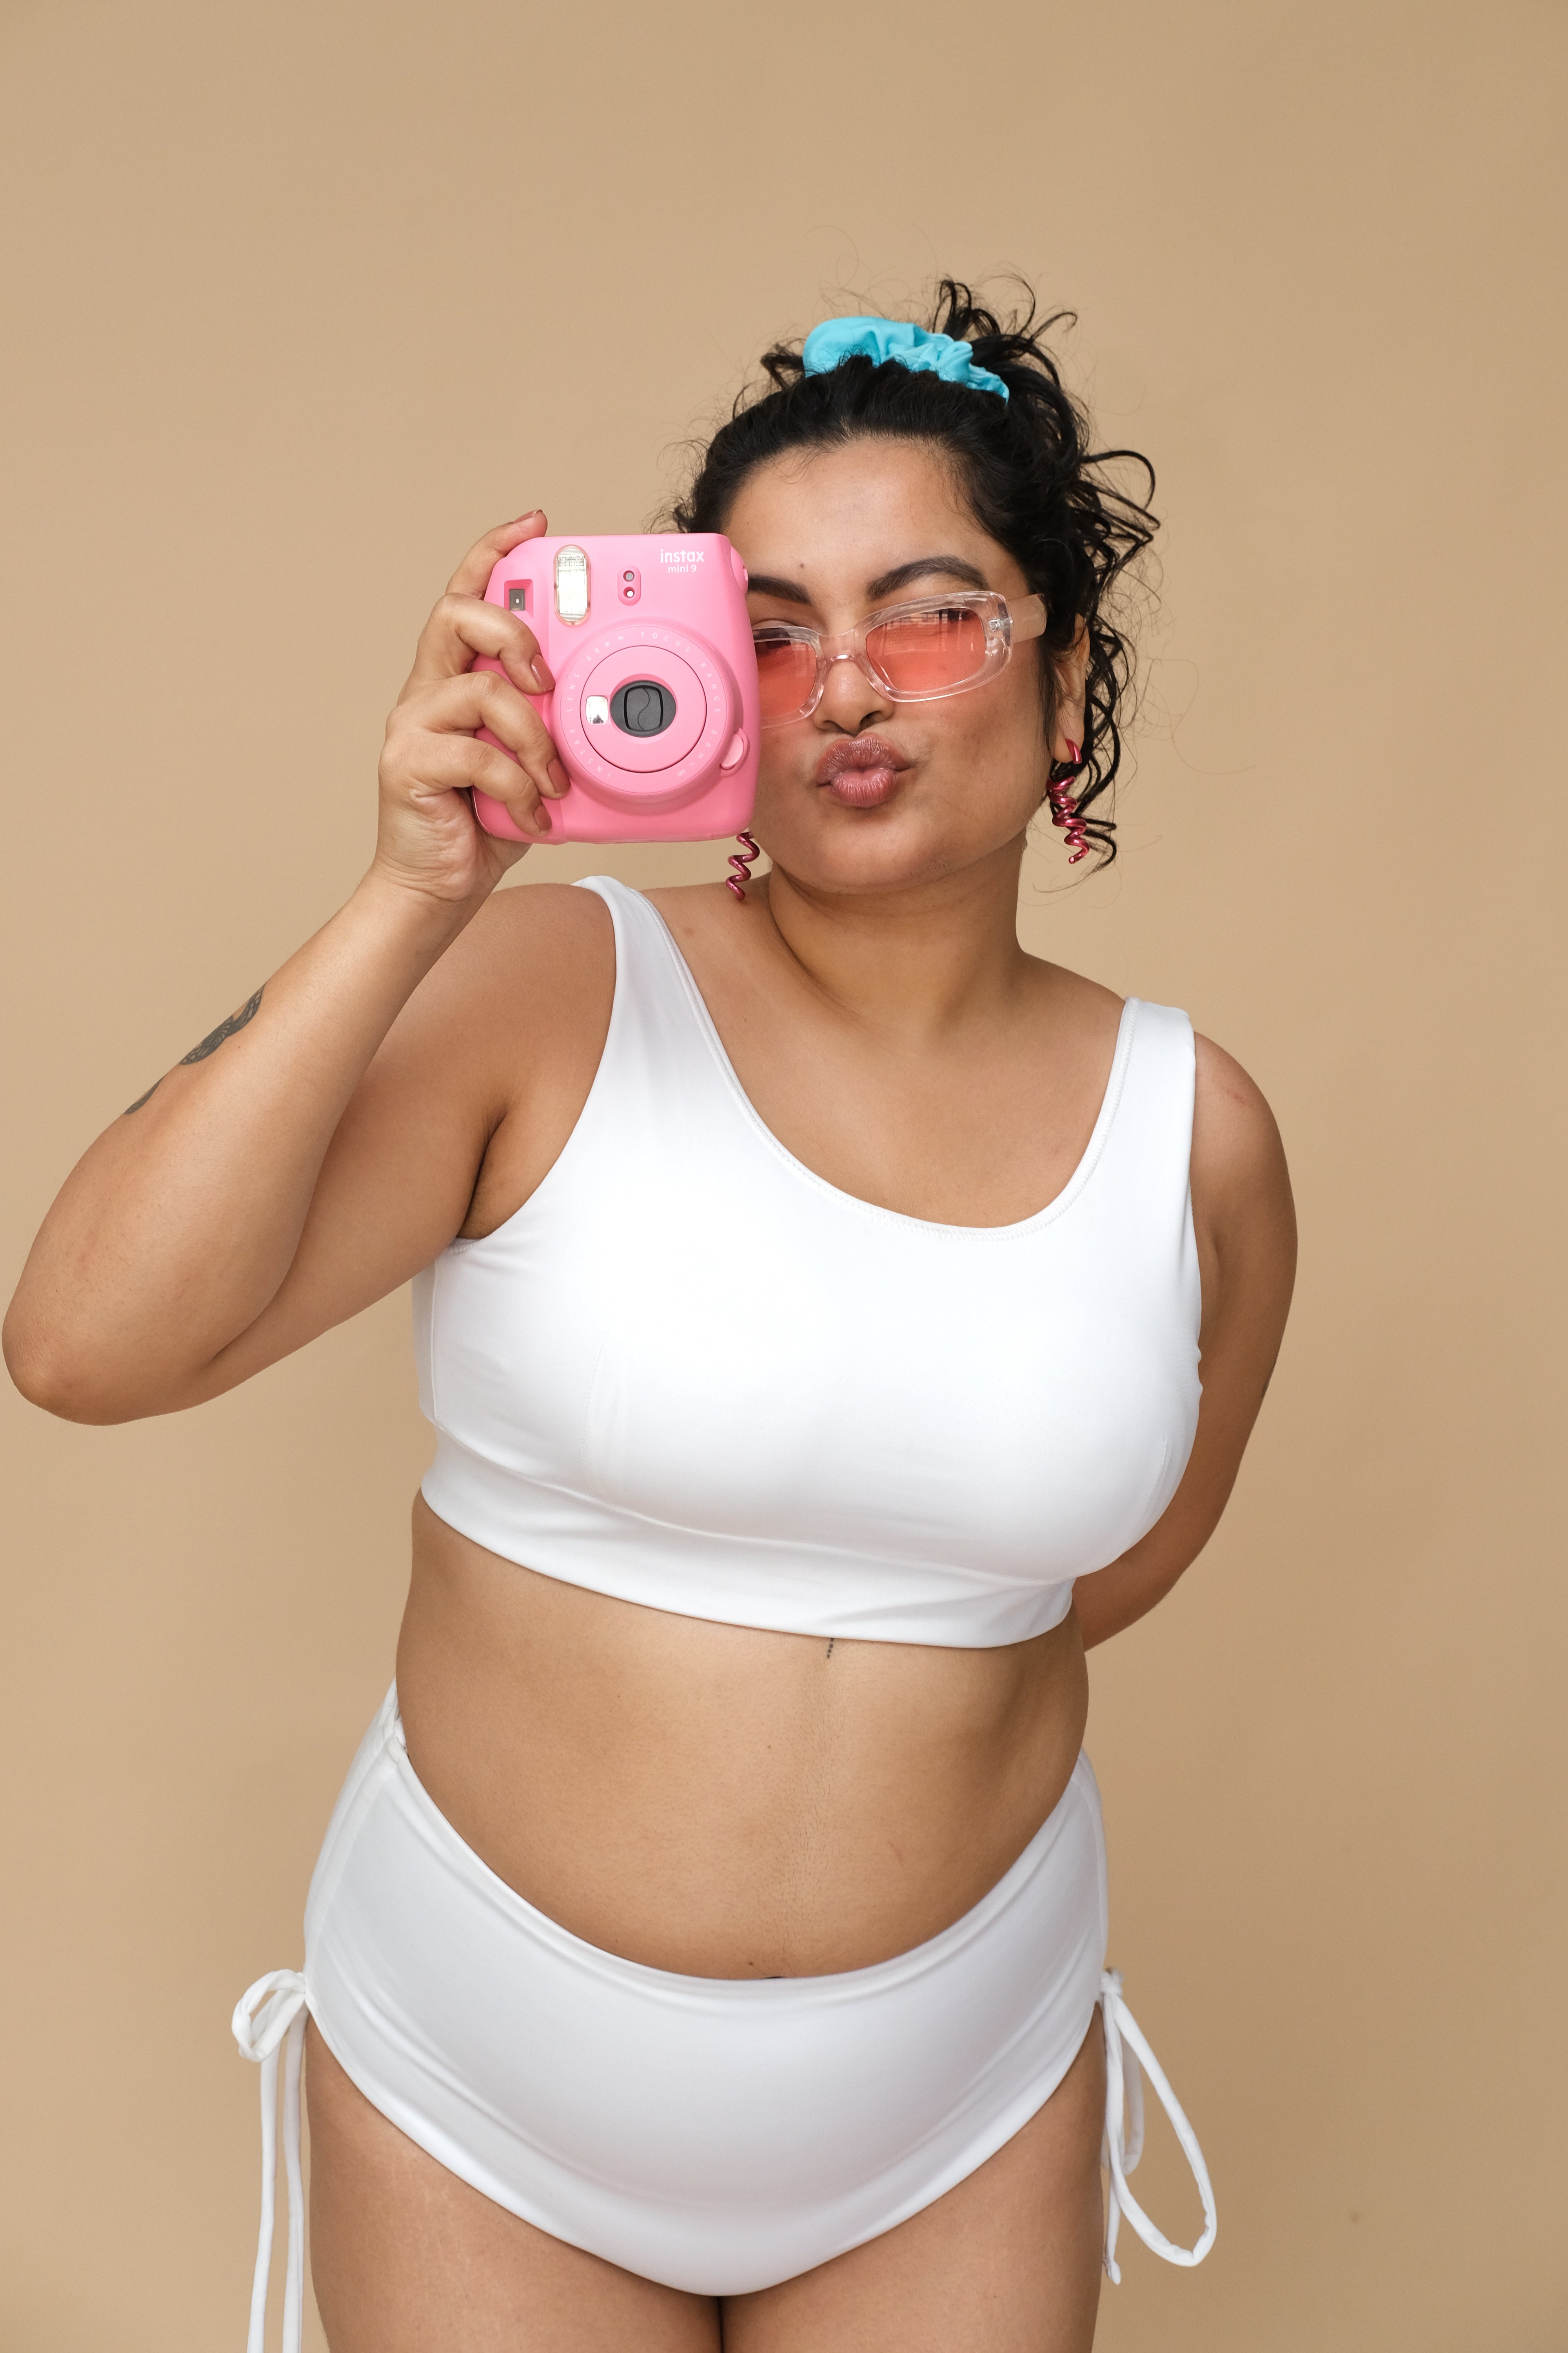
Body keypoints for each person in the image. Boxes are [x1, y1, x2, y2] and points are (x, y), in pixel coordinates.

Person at [4, 284, 1296, 2353]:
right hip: (487, 2092)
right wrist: (411, 890)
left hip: (956, 2095)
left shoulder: (1199, 1134)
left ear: (1063, 681)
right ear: (690, 680)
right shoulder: (549, 992)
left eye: (932, 610)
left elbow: (1114, 1552)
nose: (851, 686)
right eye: (770, 633)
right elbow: (86, 1342)